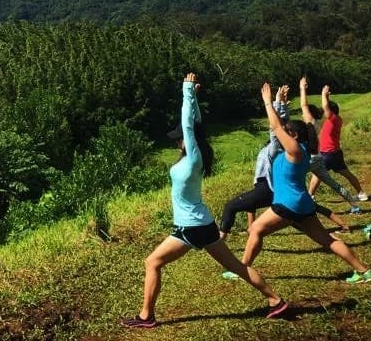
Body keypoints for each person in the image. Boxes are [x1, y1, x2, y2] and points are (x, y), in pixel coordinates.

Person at [121, 73, 289, 329]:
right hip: (203, 223)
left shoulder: (192, 158)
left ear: (185, 140)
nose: (178, 140)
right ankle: (275, 300)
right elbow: (195, 124)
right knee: (237, 266)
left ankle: (147, 316)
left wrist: (187, 90)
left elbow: (189, 126)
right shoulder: (195, 157)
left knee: (152, 262)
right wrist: (195, 98)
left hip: (190, 227)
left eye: (179, 138)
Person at [232, 82, 371, 285]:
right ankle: (364, 271)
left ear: (294, 136)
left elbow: (275, 126)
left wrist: (267, 103)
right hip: (303, 204)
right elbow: (293, 123)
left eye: (287, 130)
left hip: (288, 204)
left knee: (255, 229)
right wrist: (284, 101)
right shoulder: (301, 149)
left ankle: (241, 269)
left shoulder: (295, 151)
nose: (282, 130)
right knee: (327, 240)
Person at [298, 77, 361, 212]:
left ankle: (303, 201)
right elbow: (305, 107)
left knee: (294, 176)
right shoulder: (319, 124)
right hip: (319, 159)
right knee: (335, 185)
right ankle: (355, 206)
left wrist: (302, 88)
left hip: (311, 160)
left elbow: (304, 105)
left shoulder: (310, 122)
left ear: (309, 115)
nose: (303, 115)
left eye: (304, 113)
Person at [310, 85, 368, 201]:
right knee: (346, 173)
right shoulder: (336, 120)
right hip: (335, 152)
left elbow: (325, 107)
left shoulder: (333, 119)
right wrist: (326, 96)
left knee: (317, 173)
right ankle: (361, 193)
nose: (323, 112)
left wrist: (323, 94)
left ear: (331, 111)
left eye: (326, 110)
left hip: (327, 153)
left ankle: (309, 196)